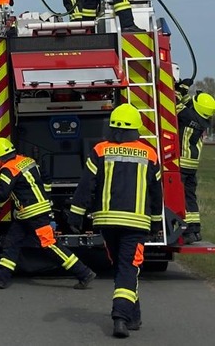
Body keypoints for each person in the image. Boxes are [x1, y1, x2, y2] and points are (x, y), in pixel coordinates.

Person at [68, 103, 164, 338]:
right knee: (128, 269)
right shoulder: (150, 154)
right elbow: (156, 192)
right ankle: (120, 317)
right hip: (136, 224)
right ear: (136, 129)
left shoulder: (100, 150)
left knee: (124, 268)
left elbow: (86, 186)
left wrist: (75, 215)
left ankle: (133, 317)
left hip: (107, 223)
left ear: (112, 127)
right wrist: (156, 223)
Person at [0, 136, 96, 290]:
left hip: (34, 213)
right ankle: (1, 277)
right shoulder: (27, 161)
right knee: (11, 243)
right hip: (27, 214)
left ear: (1, 158)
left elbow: (2, 194)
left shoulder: (8, 169)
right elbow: (46, 178)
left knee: (50, 245)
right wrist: (45, 197)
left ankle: (84, 273)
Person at [180, 92, 215, 243]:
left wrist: (179, 90)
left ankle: (186, 231)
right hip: (192, 165)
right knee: (190, 197)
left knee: (181, 197)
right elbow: (188, 105)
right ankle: (195, 229)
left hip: (181, 163)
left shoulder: (186, 116)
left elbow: (172, 103)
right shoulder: (201, 120)